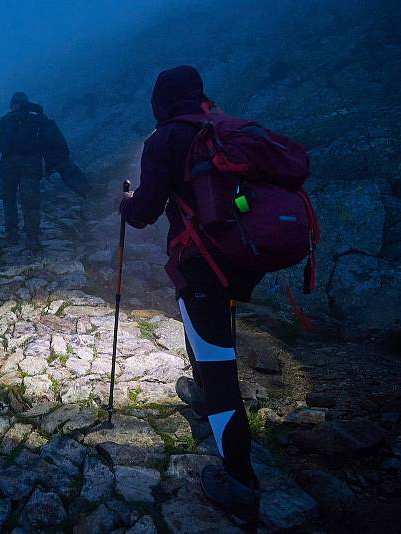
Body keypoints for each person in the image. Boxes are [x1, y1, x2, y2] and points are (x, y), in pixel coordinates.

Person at [119, 65, 263, 526]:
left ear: (161, 102)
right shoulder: (221, 129)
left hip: (200, 262)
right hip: (238, 257)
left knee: (221, 368)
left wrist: (126, 201)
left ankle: (240, 482)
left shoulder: (163, 140)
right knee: (212, 334)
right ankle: (201, 391)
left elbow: (143, 212)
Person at [0, 92, 49, 253]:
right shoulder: (38, 120)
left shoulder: (5, 120)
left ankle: (11, 234)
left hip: (9, 166)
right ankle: (33, 238)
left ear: (13, 105)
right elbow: (50, 142)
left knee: (8, 200)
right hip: (32, 165)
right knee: (30, 202)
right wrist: (52, 164)